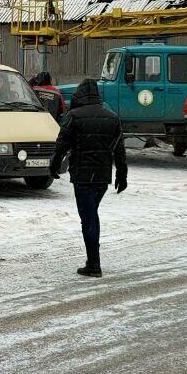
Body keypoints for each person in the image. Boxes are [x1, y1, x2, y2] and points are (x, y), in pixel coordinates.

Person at [49, 78, 127, 278]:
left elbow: (61, 145)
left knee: (88, 218)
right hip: (102, 176)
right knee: (92, 215)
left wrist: (54, 164)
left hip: (82, 175)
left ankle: (94, 264)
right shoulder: (111, 117)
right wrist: (121, 174)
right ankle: (93, 260)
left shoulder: (73, 116)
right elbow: (119, 149)